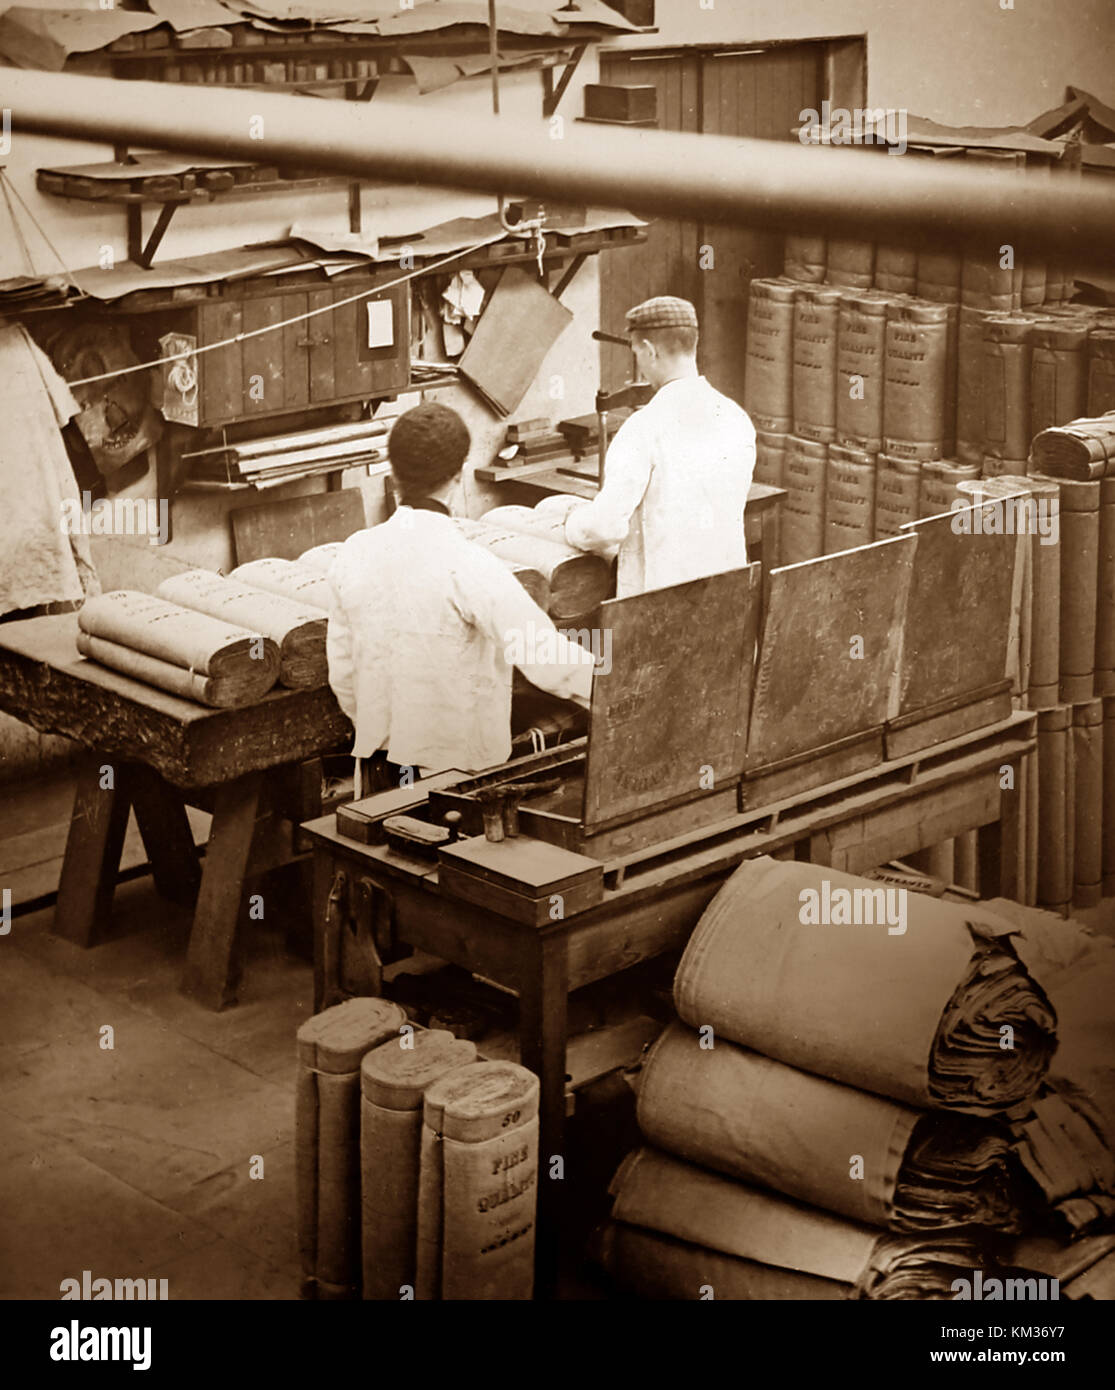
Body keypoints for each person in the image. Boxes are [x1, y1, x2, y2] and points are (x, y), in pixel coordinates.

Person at [325, 402, 594, 786]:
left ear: (395, 473)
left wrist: (380, 728)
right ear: (459, 474)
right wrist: (615, 687)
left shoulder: (352, 552)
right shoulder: (468, 563)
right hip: (452, 779)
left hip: (378, 771)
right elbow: (543, 654)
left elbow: (344, 672)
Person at [563, 295, 756, 597]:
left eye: (638, 353)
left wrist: (572, 523)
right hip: (727, 590)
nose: (639, 363)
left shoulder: (643, 428)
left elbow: (604, 527)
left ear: (650, 352)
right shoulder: (735, 416)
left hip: (663, 601)